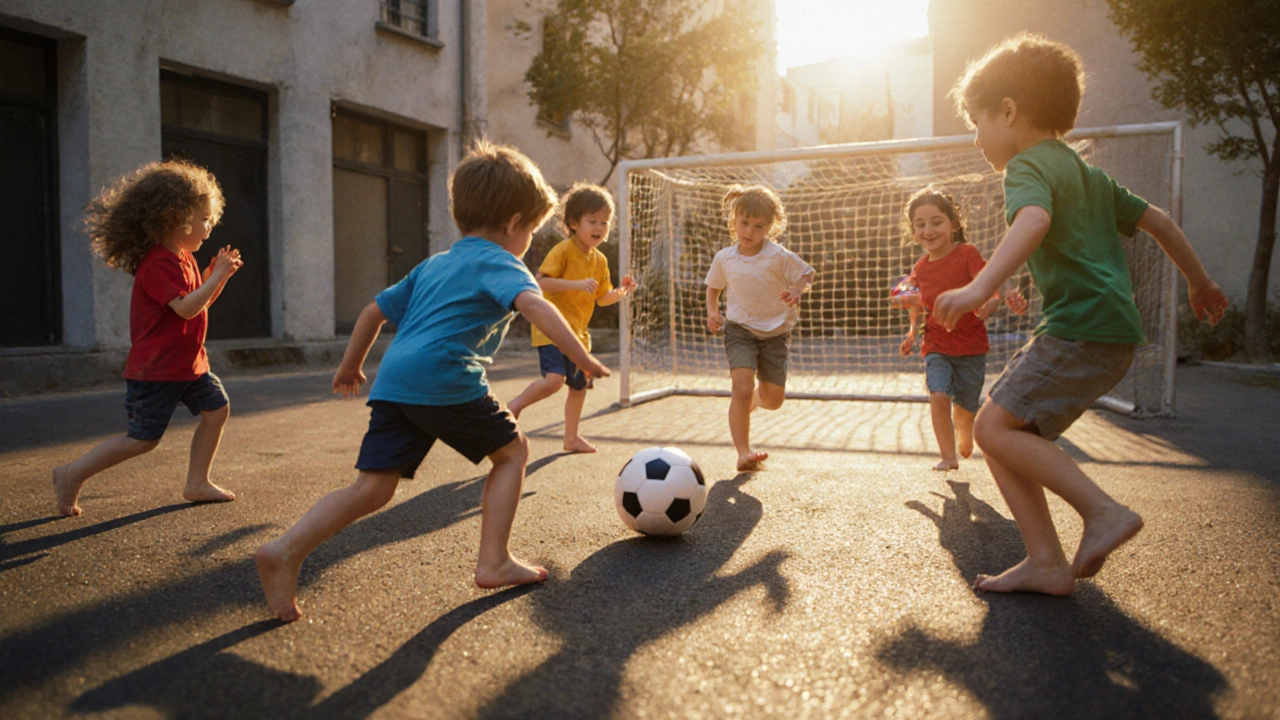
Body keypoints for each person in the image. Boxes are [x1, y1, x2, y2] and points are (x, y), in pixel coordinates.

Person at [255, 140, 610, 623]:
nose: (528, 238)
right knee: (513, 452)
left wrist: (350, 366)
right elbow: (535, 306)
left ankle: (285, 550)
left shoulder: (433, 263)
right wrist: (581, 357)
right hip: (445, 377)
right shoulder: (502, 262)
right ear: (513, 225)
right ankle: (494, 561)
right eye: (530, 228)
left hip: (395, 380)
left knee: (371, 489)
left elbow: (372, 312)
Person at [934, 34, 1229, 595]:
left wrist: (977, 287)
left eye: (976, 123)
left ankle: (1103, 512)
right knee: (1003, 426)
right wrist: (1201, 281)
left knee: (994, 427)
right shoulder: (1085, 172)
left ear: (1009, 111)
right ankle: (1045, 561)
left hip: (1078, 328)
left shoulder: (1025, 167)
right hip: (1112, 334)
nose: (975, 140)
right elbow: (1160, 220)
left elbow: (1034, 223)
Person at [52, 160, 242, 517]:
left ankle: (197, 483)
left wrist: (217, 279)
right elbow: (186, 309)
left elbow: (194, 305)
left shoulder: (182, 257)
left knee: (216, 409)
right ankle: (71, 474)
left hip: (188, 365)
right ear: (173, 218)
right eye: (203, 218)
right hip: (156, 370)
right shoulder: (157, 264)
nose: (209, 226)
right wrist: (215, 278)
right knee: (142, 440)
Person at [897, 187, 1027, 471]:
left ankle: (964, 432)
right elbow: (916, 302)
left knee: (965, 410)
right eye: (920, 224)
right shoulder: (920, 267)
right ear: (913, 231)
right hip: (936, 344)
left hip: (971, 346)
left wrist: (993, 303)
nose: (928, 230)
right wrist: (911, 332)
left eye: (936, 221)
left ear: (953, 225)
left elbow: (988, 285)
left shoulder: (967, 254)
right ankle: (947, 456)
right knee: (939, 393)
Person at [506, 183, 637, 453]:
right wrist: (576, 284)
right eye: (593, 221)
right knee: (554, 380)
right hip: (551, 330)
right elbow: (541, 283)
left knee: (578, 388)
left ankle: (571, 438)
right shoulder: (563, 250)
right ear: (574, 222)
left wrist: (621, 293)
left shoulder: (599, 260)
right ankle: (514, 406)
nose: (600, 227)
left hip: (578, 335)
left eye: (605, 222)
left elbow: (601, 297)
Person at [705, 184, 815, 472]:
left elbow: (807, 273)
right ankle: (743, 452)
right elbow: (713, 288)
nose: (749, 231)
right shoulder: (725, 258)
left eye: (758, 226)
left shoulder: (778, 255)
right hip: (740, 330)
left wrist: (797, 290)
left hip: (775, 335)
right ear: (734, 220)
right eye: (744, 223)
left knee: (773, 400)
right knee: (741, 387)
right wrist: (712, 313)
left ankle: (751, 401)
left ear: (770, 226)